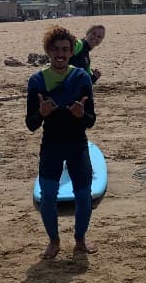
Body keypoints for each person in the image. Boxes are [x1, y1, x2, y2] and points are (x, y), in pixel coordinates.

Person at [26, 25, 97, 259]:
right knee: (48, 196)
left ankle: (80, 239)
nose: (60, 53)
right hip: (52, 145)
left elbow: (91, 120)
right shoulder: (37, 81)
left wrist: (81, 115)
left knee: (84, 196)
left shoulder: (81, 77)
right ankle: (54, 241)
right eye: (55, 49)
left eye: (65, 49)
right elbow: (31, 124)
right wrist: (42, 114)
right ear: (48, 51)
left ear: (70, 52)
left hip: (77, 144)